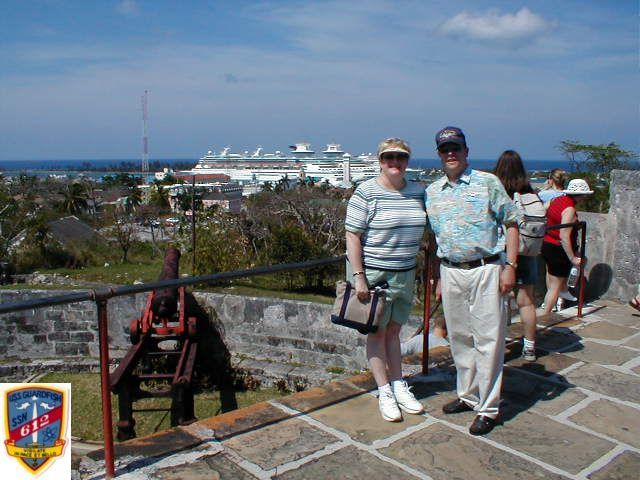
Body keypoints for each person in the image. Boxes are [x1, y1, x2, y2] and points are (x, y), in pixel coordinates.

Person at [425, 127, 520, 436]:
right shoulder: (433, 192)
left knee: (489, 340)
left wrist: (511, 267)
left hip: (486, 269)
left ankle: (488, 407)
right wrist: (438, 276)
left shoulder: (487, 183)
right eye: (445, 149)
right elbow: (435, 237)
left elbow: (512, 222)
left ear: (466, 151)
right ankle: (468, 395)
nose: (450, 153)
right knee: (460, 338)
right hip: (451, 271)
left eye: (456, 147)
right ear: (439, 154)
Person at [345, 137, 426, 422]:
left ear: (407, 161)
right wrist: (359, 277)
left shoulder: (417, 192)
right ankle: (384, 390)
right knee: (377, 333)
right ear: (380, 161)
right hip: (375, 274)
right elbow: (352, 236)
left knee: (394, 331)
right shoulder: (366, 192)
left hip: (405, 272)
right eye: (389, 157)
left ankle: (398, 383)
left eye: (401, 157)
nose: (395, 162)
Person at [494, 150, 540, 362]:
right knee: (526, 302)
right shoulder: (529, 192)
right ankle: (530, 347)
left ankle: (498, 346)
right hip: (528, 250)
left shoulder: (497, 191)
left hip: (503, 251)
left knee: (499, 303)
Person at [540, 179, 594, 316]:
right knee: (555, 288)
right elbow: (564, 236)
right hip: (557, 249)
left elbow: (544, 212)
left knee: (551, 279)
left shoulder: (555, 200)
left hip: (547, 244)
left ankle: (560, 294)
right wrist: (572, 258)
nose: (585, 198)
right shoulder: (569, 209)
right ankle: (545, 316)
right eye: (584, 195)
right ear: (580, 195)